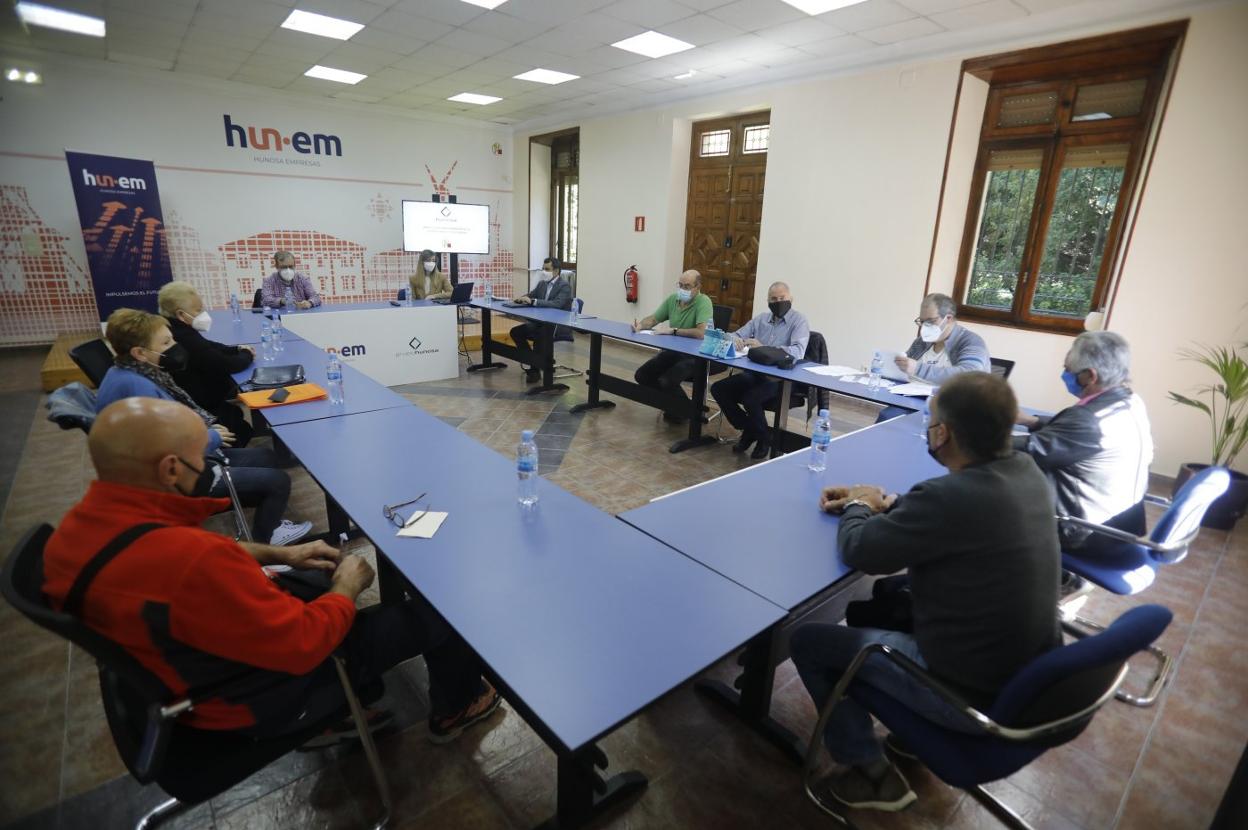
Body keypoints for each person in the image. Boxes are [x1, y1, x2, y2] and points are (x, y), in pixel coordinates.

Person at [43, 397, 501, 745]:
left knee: (315, 570)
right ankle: (454, 708)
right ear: (169, 468)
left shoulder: (75, 533)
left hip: (186, 666)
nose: (210, 466)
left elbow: (186, 556)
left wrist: (283, 555)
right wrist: (345, 590)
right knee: (442, 612)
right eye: (202, 457)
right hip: (252, 695)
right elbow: (302, 646)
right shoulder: (190, 562)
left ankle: (361, 693)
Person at [791, 373, 1060, 812]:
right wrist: (891, 503)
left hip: (965, 694)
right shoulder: (1027, 472)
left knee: (808, 641)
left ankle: (870, 774)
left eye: (930, 422)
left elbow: (862, 550)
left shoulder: (947, 496)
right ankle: (909, 739)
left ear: (943, 433)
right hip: (1023, 674)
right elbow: (958, 518)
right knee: (883, 602)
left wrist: (859, 505)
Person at [96, 308, 310, 546]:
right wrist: (210, 438)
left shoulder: (128, 373)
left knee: (266, 457)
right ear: (139, 353)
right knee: (279, 481)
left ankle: (273, 524)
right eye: (167, 342)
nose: (175, 346)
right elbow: (165, 448)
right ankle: (266, 543)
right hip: (176, 478)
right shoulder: (139, 389)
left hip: (177, 463)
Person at [1016, 331, 1154, 554]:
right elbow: (1078, 436)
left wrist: (973, 430)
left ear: (1090, 376)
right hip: (1119, 521)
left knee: (982, 502)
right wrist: (1030, 421)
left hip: (1083, 532)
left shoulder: (1087, 420)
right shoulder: (1128, 401)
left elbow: (1028, 451)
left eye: (1068, 370)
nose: (1065, 374)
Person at [710, 281, 810, 459]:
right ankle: (754, 431)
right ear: (768, 301)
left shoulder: (799, 321)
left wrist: (763, 346)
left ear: (791, 298)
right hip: (756, 373)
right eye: (774, 299)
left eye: (782, 298)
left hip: (782, 378)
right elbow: (736, 334)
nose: (778, 302)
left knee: (751, 399)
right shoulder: (761, 319)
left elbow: (797, 352)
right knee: (718, 388)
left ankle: (762, 439)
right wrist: (735, 340)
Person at [158, 281, 256, 446]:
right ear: (181, 314)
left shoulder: (175, 328)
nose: (203, 313)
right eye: (198, 310)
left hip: (198, 396)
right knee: (243, 431)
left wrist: (236, 349)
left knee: (239, 419)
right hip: (202, 402)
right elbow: (225, 364)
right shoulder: (183, 336)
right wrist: (247, 355)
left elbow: (208, 346)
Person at [876, 293, 991, 422]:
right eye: (922, 321)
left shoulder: (971, 342)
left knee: (895, 420)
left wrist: (917, 368)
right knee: (887, 417)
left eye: (930, 321)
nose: (924, 327)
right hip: (913, 399)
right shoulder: (922, 342)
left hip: (953, 406)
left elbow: (969, 376)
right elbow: (906, 371)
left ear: (948, 318)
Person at [631, 270, 713, 423]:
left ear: (698, 287)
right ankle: (679, 407)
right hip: (674, 352)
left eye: (687, 286)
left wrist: (674, 331)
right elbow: (654, 318)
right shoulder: (673, 299)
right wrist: (640, 325)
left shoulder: (704, 302)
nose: (683, 289)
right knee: (642, 375)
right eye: (680, 285)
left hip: (696, 356)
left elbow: (701, 333)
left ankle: (685, 411)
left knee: (667, 380)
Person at [509, 257, 572, 383]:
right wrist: (521, 298)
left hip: (557, 325)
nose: (544, 272)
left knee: (539, 336)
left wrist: (533, 301)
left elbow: (557, 304)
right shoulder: (542, 283)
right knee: (515, 332)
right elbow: (531, 295)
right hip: (541, 322)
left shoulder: (564, 286)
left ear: (557, 271)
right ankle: (534, 362)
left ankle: (535, 369)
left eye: (547, 269)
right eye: (543, 269)